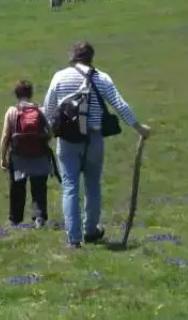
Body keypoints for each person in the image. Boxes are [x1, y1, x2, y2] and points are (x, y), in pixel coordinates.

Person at [42, 41, 151, 249]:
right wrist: (138, 127)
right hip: (93, 138)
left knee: (70, 187)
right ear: (91, 57)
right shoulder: (101, 78)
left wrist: (48, 132)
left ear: (73, 56)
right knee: (93, 185)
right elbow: (119, 104)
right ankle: (90, 231)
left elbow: (49, 108)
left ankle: (73, 239)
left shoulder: (60, 76)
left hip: (67, 140)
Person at [0, 79, 53, 228]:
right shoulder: (40, 110)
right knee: (39, 188)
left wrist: (3, 158)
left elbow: (5, 137)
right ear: (31, 93)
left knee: (17, 188)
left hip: (18, 157)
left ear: (16, 94)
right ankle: (39, 216)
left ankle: (15, 218)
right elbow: (50, 131)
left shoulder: (12, 111)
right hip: (39, 155)